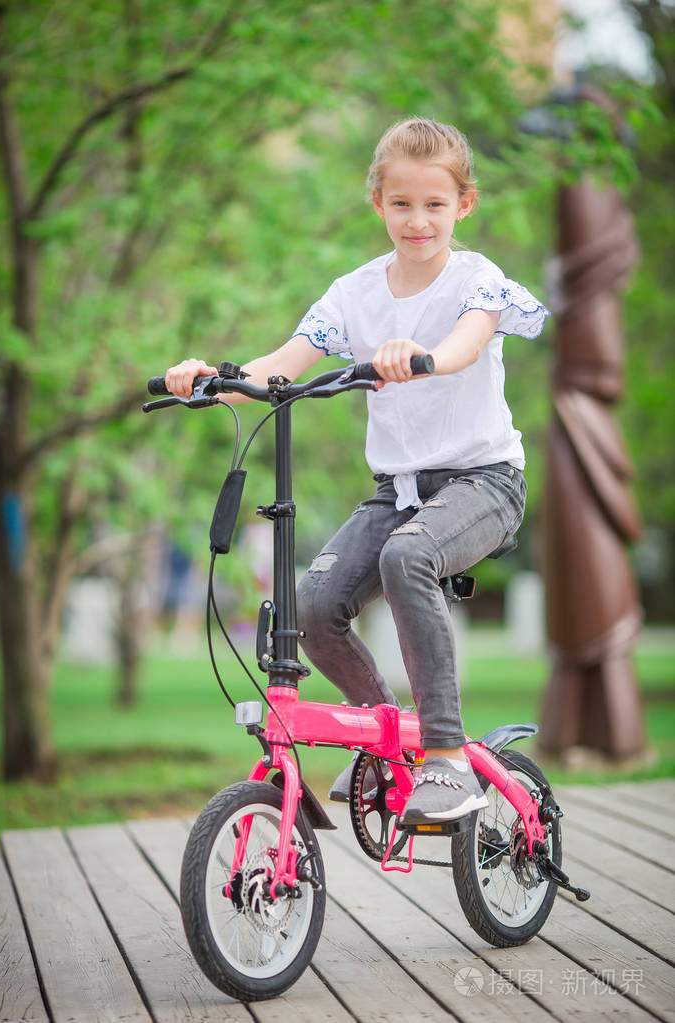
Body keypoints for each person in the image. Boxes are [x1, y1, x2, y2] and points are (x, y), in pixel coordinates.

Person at [165, 117, 549, 825]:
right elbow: (279, 367)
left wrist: (420, 356)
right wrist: (207, 379)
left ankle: (446, 757)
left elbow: (465, 346)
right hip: (397, 493)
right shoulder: (354, 293)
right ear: (378, 203)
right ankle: (383, 734)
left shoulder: (477, 281)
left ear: (464, 205)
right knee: (312, 605)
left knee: (408, 556)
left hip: (483, 483)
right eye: (401, 203)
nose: (417, 220)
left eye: (434, 204)